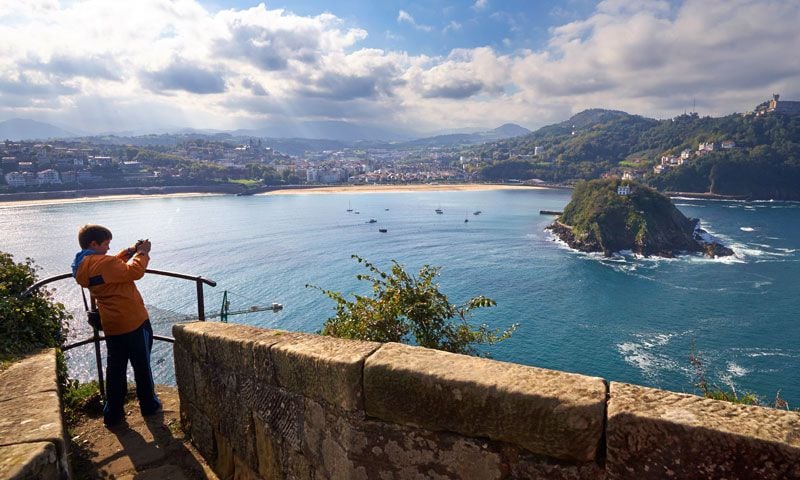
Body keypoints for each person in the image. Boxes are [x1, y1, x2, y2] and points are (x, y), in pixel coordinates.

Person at [71, 224, 161, 427]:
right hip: (133, 320)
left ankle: (113, 414)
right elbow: (134, 271)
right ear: (93, 244)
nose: (109, 248)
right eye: (106, 244)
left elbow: (112, 267)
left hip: (112, 324)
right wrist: (142, 253)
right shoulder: (104, 263)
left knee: (115, 370)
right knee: (142, 366)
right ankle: (149, 405)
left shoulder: (82, 265)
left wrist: (130, 250)